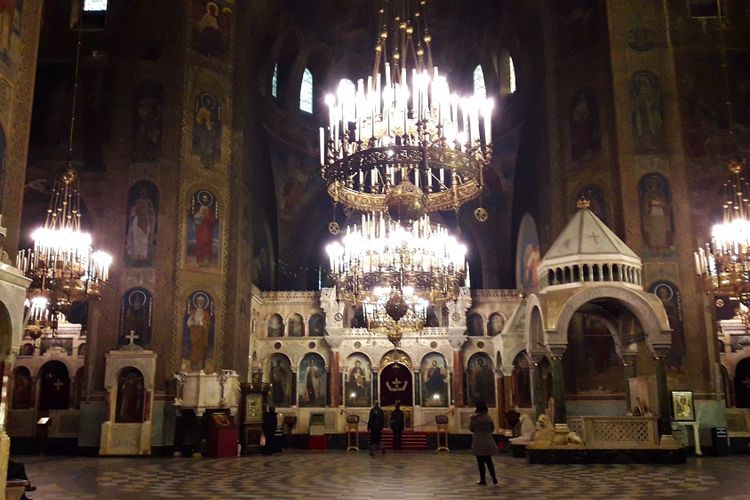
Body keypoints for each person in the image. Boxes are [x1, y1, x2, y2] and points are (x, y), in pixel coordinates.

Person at [470, 401, 497, 486]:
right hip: (488, 440)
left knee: (480, 462)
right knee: (489, 461)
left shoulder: (474, 419)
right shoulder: (488, 418)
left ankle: (483, 480)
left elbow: (471, 429)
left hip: (478, 441)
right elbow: (492, 428)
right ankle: (494, 477)